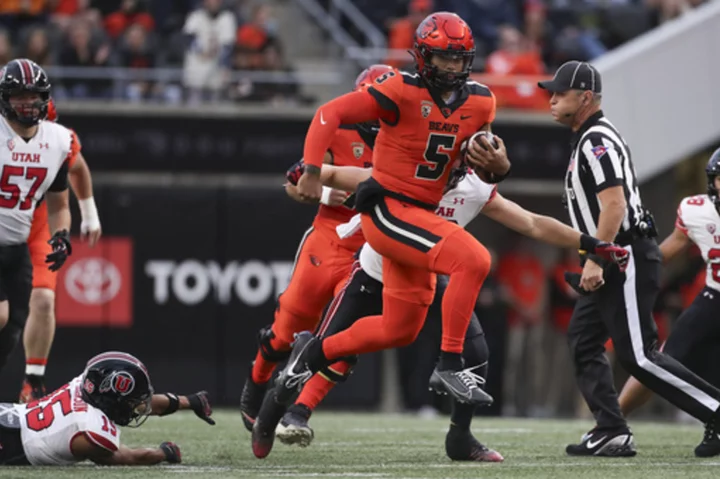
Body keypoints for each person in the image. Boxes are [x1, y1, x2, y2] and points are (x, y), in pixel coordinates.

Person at [265, 161, 629, 461]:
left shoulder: (474, 186)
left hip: (431, 274)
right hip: (376, 268)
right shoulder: (403, 173)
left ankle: (460, 436)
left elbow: (532, 222)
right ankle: (285, 411)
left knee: (477, 351)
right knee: (334, 346)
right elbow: (323, 177)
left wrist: (591, 243)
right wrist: (306, 174)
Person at [536, 60, 720, 457]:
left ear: (585, 97)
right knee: (584, 341)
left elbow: (614, 205)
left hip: (623, 253)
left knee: (639, 355)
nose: (551, 100)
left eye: (560, 93)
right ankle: (611, 428)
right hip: (615, 253)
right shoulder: (587, 136)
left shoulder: (595, 139)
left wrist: (596, 259)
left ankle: (716, 411)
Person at [239, 65, 392, 432]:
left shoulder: (408, 140)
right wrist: (325, 191)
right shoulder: (338, 131)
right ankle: (258, 378)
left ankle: (300, 412)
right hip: (329, 238)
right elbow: (293, 184)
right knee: (288, 329)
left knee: (344, 338)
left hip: (373, 249)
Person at [618, 150, 720, 457]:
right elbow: (665, 252)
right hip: (715, 296)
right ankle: (610, 423)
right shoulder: (696, 211)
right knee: (661, 360)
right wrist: (628, 268)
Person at [20, 99, 102, 403]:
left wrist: (89, 213)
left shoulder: (56, 140)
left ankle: (33, 380)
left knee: (43, 299)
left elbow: (77, 169)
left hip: (38, 225)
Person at [0, 351, 215, 466]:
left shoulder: (83, 384)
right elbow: (129, 458)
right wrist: (165, 453)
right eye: (131, 401)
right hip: (9, 445)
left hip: (9, 415)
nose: (135, 407)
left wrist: (190, 401)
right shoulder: (91, 430)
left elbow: (138, 403)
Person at [0, 59, 73, 376]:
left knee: (11, 331)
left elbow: (59, 204)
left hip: (16, 247)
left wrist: (62, 234)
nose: (27, 104)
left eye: (33, 96)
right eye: (18, 96)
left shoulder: (57, 140)